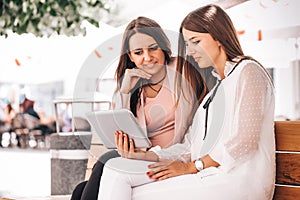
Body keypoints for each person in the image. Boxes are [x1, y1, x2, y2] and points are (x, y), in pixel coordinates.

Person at [98, 4, 275, 200]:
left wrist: (192, 166)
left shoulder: (247, 71)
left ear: (219, 37)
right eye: (187, 44)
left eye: (195, 41)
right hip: (208, 176)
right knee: (116, 172)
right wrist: (147, 156)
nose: (190, 51)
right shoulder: (215, 91)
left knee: (131, 193)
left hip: (237, 182)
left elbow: (245, 142)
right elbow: (190, 146)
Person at [71, 16, 212, 200]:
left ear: (163, 47)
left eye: (153, 48)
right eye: (138, 52)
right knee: (80, 190)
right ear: (130, 56)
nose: (147, 58)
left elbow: (193, 130)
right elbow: (120, 132)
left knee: (103, 166)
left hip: (169, 158)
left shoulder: (180, 70)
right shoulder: (133, 86)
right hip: (139, 159)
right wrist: (125, 91)